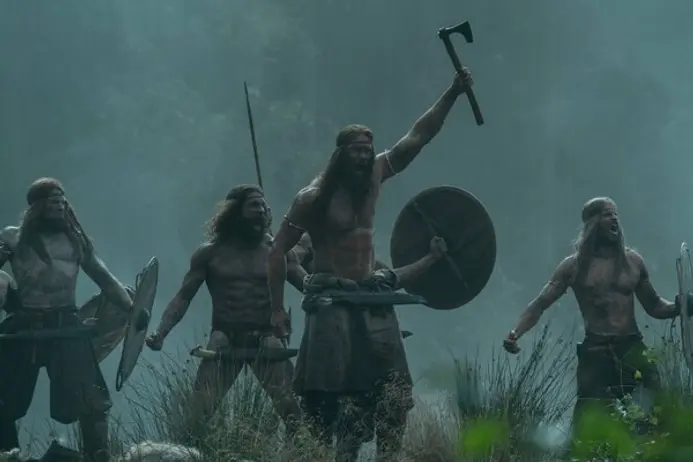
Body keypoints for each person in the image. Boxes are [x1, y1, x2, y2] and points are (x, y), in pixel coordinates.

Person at [267, 69, 474, 462]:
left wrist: (452, 93)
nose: (364, 157)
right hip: (333, 303)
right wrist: (277, 309)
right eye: (356, 151)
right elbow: (278, 252)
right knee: (328, 399)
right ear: (340, 154)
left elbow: (418, 137)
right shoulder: (313, 198)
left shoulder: (376, 174)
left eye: (368, 149)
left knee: (394, 394)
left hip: (374, 299)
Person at [503, 197, 692, 428]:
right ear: (592, 223)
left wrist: (680, 306)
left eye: (616, 214)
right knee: (588, 423)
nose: (614, 219)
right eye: (607, 214)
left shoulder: (632, 262)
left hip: (632, 348)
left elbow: (654, 306)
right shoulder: (574, 266)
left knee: (657, 413)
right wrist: (515, 333)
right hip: (596, 352)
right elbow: (540, 304)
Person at [145, 185, 306, 443]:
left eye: (263, 206)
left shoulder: (277, 251)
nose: (261, 211)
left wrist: (331, 289)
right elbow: (183, 297)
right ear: (234, 212)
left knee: (295, 417)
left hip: (266, 338)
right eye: (253, 205)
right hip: (225, 341)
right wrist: (160, 332)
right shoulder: (210, 253)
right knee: (198, 418)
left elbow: (306, 284)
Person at [0, 177, 143, 462]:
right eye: (53, 202)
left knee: (92, 402)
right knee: (2, 401)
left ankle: (97, 456)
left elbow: (103, 277)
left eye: (62, 202)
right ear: (36, 207)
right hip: (24, 326)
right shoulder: (13, 238)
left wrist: (132, 309)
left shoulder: (75, 241)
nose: (60, 207)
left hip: (65, 324)